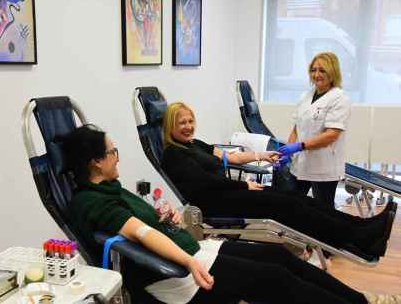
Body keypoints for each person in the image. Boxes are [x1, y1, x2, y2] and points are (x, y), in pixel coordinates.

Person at [61, 124, 401, 304]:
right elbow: (141, 234)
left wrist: (166, 217)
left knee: (276, 256)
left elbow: (146, 223)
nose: (116, 157)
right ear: (96, 161)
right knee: (274, 278)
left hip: (195, 252)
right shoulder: (92, 201)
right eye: (112, 152)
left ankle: (359, 297)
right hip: (178, 273)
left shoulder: (109, 188)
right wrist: (190, 260)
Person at [160, 102, 396, 259]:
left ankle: (362, 228)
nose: (189, 127)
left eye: (191, 121)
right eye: (182, 123)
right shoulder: (174, 154)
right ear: (170, 125)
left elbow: (231, 157)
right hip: (216, 204)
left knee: (296, 198)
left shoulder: (193, 145)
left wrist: (262, 155)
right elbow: (204, 183)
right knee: (289, 206)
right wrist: (244, 185)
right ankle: (357, 238)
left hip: (229, 194)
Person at [278, 52, 351, 208]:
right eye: (313, 70)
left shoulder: (339, 98)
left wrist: (300, 146)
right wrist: (288, 152)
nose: (316, 74)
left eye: (322, 70)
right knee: (292, 206)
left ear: (333, 72)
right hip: (300, 165)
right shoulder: (306, 96)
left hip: (324, 166)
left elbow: (331, 135)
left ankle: (326, 233)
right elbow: (296, 127)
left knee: (323, 211)